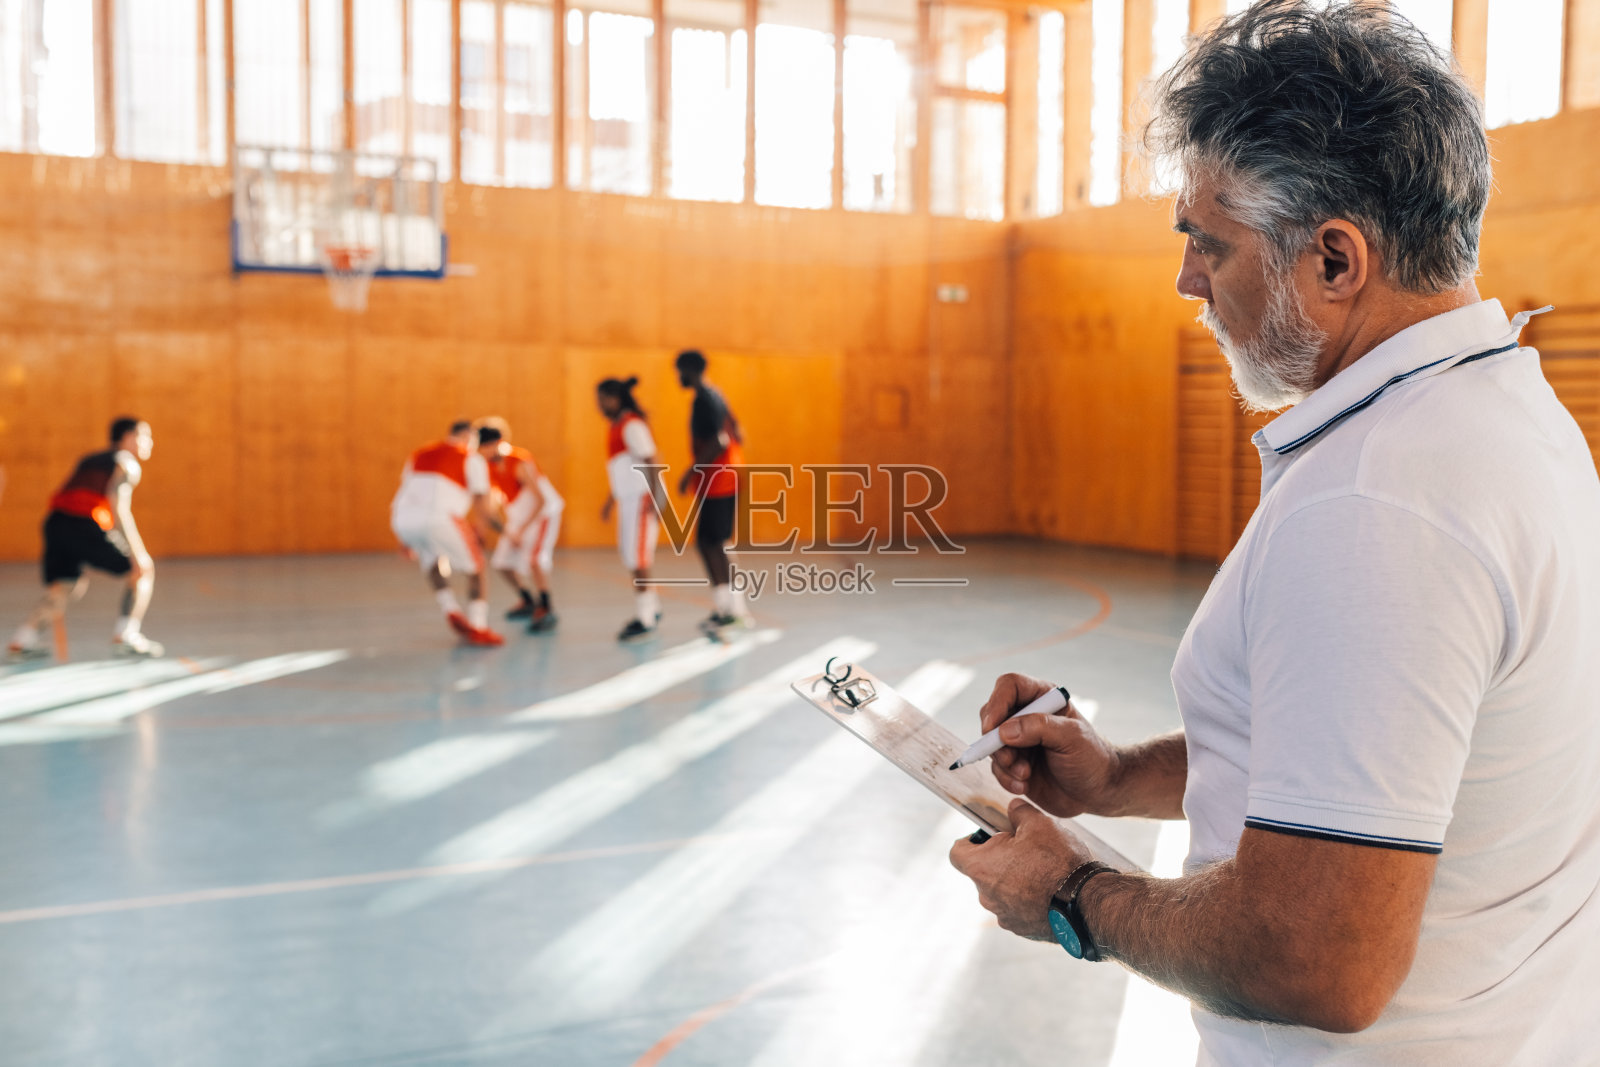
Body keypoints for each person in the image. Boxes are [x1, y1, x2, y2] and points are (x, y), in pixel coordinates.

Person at [948, 3, 1600, 1062]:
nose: (1187, 281)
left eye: (1208, 243)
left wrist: (1070, 889)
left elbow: (1314, 957)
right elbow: (1382, 764)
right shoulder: (1507, 416)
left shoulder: (1377, 501)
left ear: (1334, 261)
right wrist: (1113, 777)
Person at [7, 417, 163, 660]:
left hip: (55, 523)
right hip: (84, 525)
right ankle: (126, 635)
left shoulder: (90, 459)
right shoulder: (127, 463)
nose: (149, 442)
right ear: (127, 437)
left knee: (66, 585)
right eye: (145, 436)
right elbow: (118, 507)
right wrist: (138, 553)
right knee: (142, 571)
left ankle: (22, 641)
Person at [390, 420, 504, 647]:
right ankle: (479, 627)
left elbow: (407, 488)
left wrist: (405, 538)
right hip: (441, 519)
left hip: (402, 519)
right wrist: (502, 531)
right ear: (469, 437)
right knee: (477, 568)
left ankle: (450, 609)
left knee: (433, 562)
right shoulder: (471, 457)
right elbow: (482, 504)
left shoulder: (419, 453)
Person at [674, 350, 749, 634]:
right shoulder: (717, 395)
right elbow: (737, 431)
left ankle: (732, 607)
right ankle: (728, 606)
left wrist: (691, 470)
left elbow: (719, 440)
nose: (678, 377)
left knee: (712, 542)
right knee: (713, 542)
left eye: (679, 370)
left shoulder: (704, 400)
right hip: (727, 474)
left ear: (690, 369)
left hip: (718, 479)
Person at [476, 418, 563, 632]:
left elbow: (541, 501)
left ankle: (546, 607)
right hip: (521, 517)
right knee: (502, 563)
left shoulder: (519, 461)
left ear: (496, 442)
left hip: (543, 514)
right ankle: (528, 601)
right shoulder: (490, 465)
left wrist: (521, 531)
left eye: (484, 446)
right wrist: (487, 524)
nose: (482, 451)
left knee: (535, 559)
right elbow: (495, 497)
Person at [598, 377, 667, 642]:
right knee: (629, 555)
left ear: (615, 398)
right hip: (628, 498)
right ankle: (652, 607)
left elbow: (652, 461)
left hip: (642, 498)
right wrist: (610, 501)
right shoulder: (616, 427)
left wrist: (659, 500)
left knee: (637, 558)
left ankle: (646, 618)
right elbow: (620, 470)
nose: (600, 405)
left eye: (603, 400)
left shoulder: (632, 425)